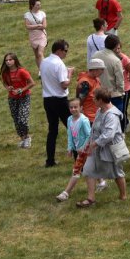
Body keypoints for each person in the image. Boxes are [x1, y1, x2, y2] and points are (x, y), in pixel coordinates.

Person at [77, 88, 128, 207]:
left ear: (101, 100)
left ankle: (123, 196)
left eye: (95, 98)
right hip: (96, 148)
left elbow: (108, 135)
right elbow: (94, 130)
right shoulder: (100, 110)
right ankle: (91, 199)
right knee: (89, 170)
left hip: (111, 149)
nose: (93, 100)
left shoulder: (112, 115)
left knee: (117, 172)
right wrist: (86, 146)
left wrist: (93, 145)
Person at [40, 39, 74, 168]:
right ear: (59, 50)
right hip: (60, 100)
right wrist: (69, 74)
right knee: (72, 128)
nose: (66, 53)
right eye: (65, 51)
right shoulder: (59, 64)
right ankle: (79, 159)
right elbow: (64, 85)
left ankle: (50, 160)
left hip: (47, 100)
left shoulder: (44, 62)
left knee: (52, 130)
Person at [55, 98, 94, 202]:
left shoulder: (84, 120)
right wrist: (70, 147)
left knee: (76, 170)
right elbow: (70, 135)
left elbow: (89, 135)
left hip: (85, 150)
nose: (73, 109)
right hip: (78, 150)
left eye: (75, 107)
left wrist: (83, 147)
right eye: (71, 107)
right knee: (88, 168)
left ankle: (66, 193)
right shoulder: (69, 119)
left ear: (81, 108)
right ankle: (102, 182)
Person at [0, 53, 35, 148]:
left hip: (24, 97)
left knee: (22, 119)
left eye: (10, 60)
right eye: (6, 60)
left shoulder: (22, 71)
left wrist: (21, 90)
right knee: (16, 120)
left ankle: (27, 138)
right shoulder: (5, 73)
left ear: (15, 60)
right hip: (12, 99)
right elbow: (4, 83)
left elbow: (32, 83)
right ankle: (23, 139)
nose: (8, 62)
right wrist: (8, 87)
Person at [92, 34, 125, 114]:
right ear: (117, 45)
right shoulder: (116, 61)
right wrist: (121, 92)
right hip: (114, 95)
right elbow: (120, 81)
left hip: (99, 93)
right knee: (116, 119)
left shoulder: (96, 55)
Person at [76, 58, 106, 124]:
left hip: (96, 114)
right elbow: (80, 101)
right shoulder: (85, 83)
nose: (103, 72)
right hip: (89, 117)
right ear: (95, 70)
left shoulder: (96, 79)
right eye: (102, 69)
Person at [115, 42, 130, 132]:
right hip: (113, 89)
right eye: (115, 48)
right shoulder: (109, 58)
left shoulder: (124, 59)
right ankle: (125, 122)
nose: (117, 50)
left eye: (119, 48)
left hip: (125, 89)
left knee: (122, 110)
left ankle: (123, 130)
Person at [24, 0, 47, 69]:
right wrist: (37, 25)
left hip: (42, 35)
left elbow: (44, 26)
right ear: (32, 5)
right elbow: (27, 26)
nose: (39, 6)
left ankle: (44, 69)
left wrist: (35, 26)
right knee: (37, 55)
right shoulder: (27, 15)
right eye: (37, 5)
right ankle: (40, 70)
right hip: (33, 36)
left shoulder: (42, 13)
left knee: (40, 53)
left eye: (39, 5)